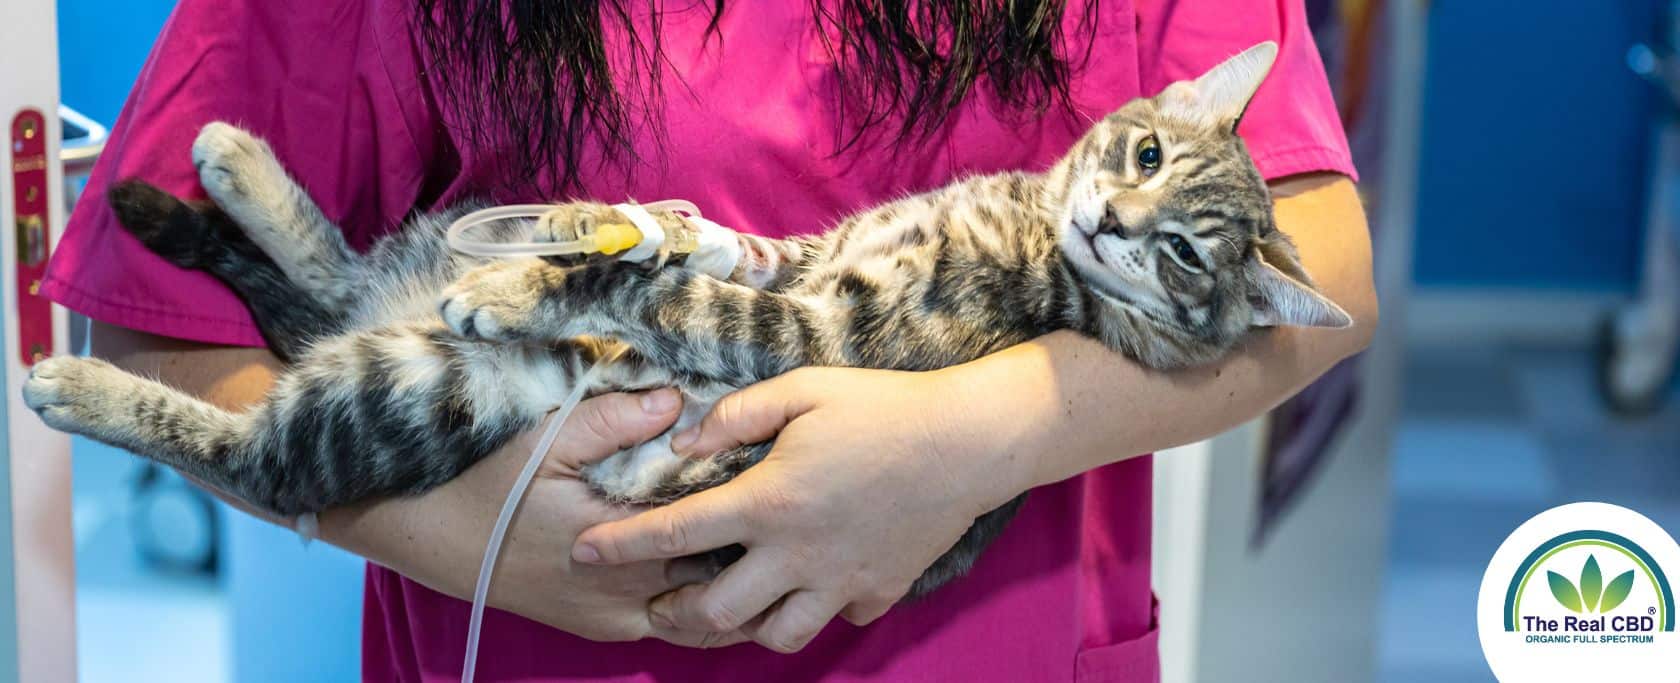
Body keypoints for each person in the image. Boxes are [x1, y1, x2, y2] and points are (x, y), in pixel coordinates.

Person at [44, 0, 1376, 680]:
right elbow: (152, 315)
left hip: (997, 645)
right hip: (554, 646)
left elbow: (1324, 270)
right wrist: (461, 532)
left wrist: (980, 436)